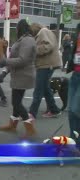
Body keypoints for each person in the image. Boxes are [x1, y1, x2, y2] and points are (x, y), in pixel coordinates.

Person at [0, 19, 37, 137]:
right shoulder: (23, 39)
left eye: (16, 27)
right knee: (17, 101)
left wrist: (5, 61)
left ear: (20, 28)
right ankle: (12, 125)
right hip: (18, 76)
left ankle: (30, 128)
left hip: (23, 76)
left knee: (16, 102)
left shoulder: (28, 40)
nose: (16, 30)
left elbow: (22, 60)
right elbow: (14, 58)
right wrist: (5, 71)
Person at [28, 23, 62, 120]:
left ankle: (32, 113)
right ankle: (54, 110)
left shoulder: (43, 31)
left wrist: (34, 50)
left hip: (46, 65)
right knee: (45, 89)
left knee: (38, 89)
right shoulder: (45, 32)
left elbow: (48, 46)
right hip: (46, 64)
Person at [66, 0, 80, 146]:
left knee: (76, 109)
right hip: (75, 74)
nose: (75, 9)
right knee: (71, 111)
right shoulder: (78, 27)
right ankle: (73, 142)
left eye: (78, 7)